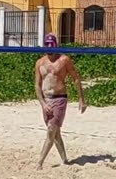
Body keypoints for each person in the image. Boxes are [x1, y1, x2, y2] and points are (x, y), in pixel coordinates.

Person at [34, 34, 86, 170]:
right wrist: (43, 104)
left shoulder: (64, 60)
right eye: (47, 47)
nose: (49, 51)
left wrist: (81, 98)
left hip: (60, 98)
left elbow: (76, 78)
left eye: (52, 47)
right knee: (55, 133)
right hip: (47, 99)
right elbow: (37, 85)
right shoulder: (40, 62)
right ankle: (64, 159)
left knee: (51, 130)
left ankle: (39, 162)